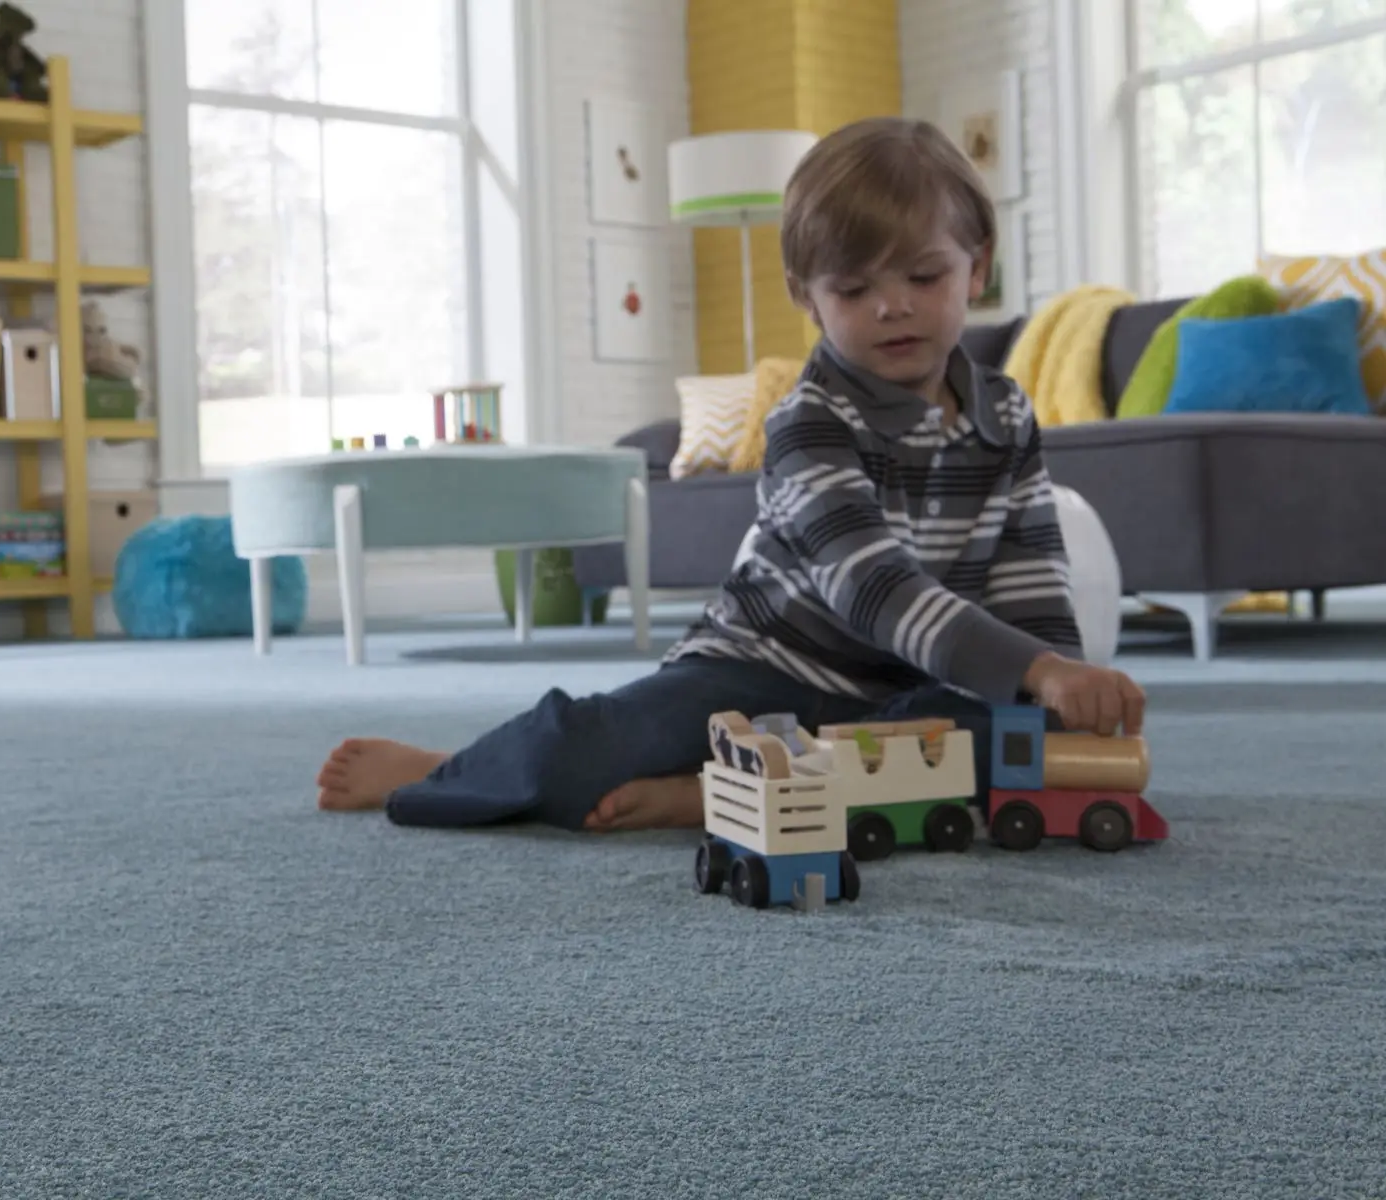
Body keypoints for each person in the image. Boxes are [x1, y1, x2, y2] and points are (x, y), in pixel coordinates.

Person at [314, 115, 1146, 833]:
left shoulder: (1007, 418)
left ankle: (726, 794)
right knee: (595, 748)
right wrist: (1042, 675)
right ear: (808, 298)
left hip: (910, 693)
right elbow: (872, 589)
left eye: (922, 276)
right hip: (756, 670)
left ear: (978, 267)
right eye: (854, 289)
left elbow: (1033, 576)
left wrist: (1060, 691)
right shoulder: (807, 421)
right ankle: (448, 765)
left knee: (995, 747)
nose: (892, 306)